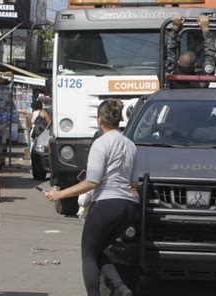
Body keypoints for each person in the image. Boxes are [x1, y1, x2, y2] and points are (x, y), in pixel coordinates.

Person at [45, 99, 138, 296]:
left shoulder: (100, 143)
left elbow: (91, 182)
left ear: (99, 120)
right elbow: (134, 183)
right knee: (98, 250)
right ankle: (120, 287)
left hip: (106, 204)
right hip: (129, 206)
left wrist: (60, 194)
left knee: (88, 255)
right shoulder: (130, 145)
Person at [166, 15, 216, 88]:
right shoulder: (201, 82)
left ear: (178, 62)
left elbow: (169, 54)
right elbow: (211, 57)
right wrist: (205, 29)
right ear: (195, 66)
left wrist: (175, 27)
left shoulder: (169, 78)